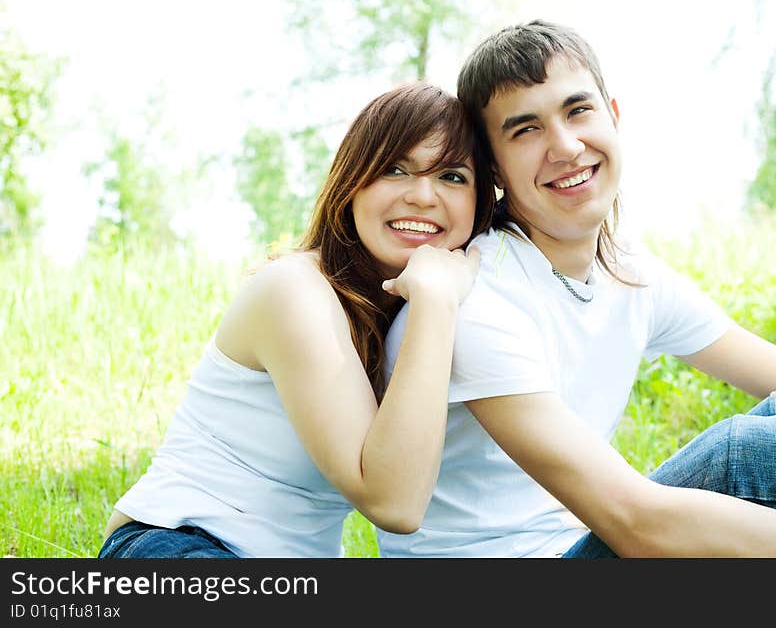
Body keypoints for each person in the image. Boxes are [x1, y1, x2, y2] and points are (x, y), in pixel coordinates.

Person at [377, 20, 776, 557]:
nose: (566, 147)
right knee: (759, 455)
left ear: (613, 116)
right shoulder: (478, 301)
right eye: (526, 130)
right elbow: (635, 524)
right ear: (493, 166)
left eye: (578, 111)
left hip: (575, 547)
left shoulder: (626, 272)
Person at [97, 82, 495, 558]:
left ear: (480, 202)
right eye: (394, 169)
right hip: (179, 543)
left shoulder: (417, 309)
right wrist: (435, 300)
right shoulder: (294, 290)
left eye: (452, 176)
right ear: (352, 182)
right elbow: (396, 504)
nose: (422, 196)